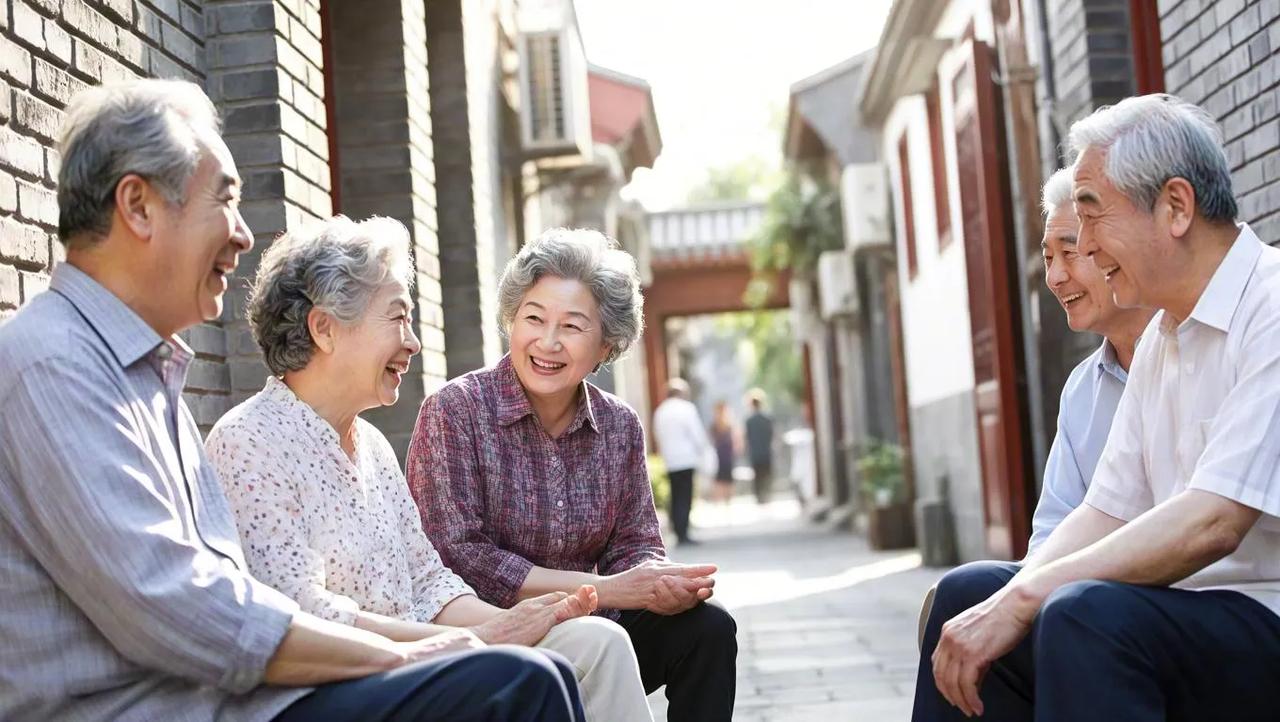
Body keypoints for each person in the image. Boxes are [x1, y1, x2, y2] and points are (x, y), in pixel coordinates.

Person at [0, 79, 583, 722]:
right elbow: (180, 606)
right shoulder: (55, 366)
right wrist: (409, 655)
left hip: (231, 703)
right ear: (138, 206)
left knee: (538, 671)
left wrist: (452, 643)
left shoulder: (139, 374)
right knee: (515, 684)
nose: (245, 235)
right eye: (223, 200)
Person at [916, 94, 1280, 722]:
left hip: (1263, 614)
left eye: (1092, 216)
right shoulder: (1165, 335)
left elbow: (1214, 521)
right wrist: (1005, 599)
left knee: (1082, 614)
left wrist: (1029, 596)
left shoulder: (1269, 307)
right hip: (1179, 615)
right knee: (969, 593)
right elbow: (1105, 510)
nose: (1082, 246)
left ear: (1175, 207)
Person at [205, 216, 650, 722]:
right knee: (529, 676)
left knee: (597, 641)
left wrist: (514, 621)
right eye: (398, 318)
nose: (413, 342)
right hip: (335, 686)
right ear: (324, 328)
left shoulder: (370, 444)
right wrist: (472, 640)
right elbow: (304, 615)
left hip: (423, 660)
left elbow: (428, 583)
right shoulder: (251, 441)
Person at [407, 228, 739, 722]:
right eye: (533, 318)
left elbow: (636, 542)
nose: (548, 342)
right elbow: (459, 555)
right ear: (511, 321)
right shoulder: (455, 411)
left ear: (607, 345)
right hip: (495, 635)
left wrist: (657, 583)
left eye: (572, 326)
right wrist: (605, 589)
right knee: (600, 640)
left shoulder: (619, 425)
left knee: (709, 629)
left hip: (600, 629)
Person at [913, 165, 1155, 647]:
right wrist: (1015, 596)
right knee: (961, 593)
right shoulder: (1082, 388)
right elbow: (1054, 527)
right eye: (1048, 257)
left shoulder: (1191, 354)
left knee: (1073, 610)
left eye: (1071, 252)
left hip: (1152, 592)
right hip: (1080, 586)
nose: (1055, 276)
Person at [653, 377, 712, 545]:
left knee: (675, 495)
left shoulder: (660, 411)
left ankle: (678, 530)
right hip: (686, 458)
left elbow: (657, 434)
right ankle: (684, 533)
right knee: (685, 496)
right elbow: (697, 435)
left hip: (670, 460)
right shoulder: (687, 409)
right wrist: (703, 452)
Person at [744, 390, 776, 505]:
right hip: (766, 450)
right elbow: (772, 434)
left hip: (755, 452)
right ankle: (766, 495)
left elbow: (747, 437)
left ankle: (759, 497)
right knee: (766, 474)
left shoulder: (749, 420)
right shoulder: (767, 418)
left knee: (757, 475)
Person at [709, 401, 739, 505]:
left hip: (726, 454)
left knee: (725, 478)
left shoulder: (727, 423)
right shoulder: (718, 424)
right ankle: (723, 501)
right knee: (721, 478)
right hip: (721, 454)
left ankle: (725, 501)